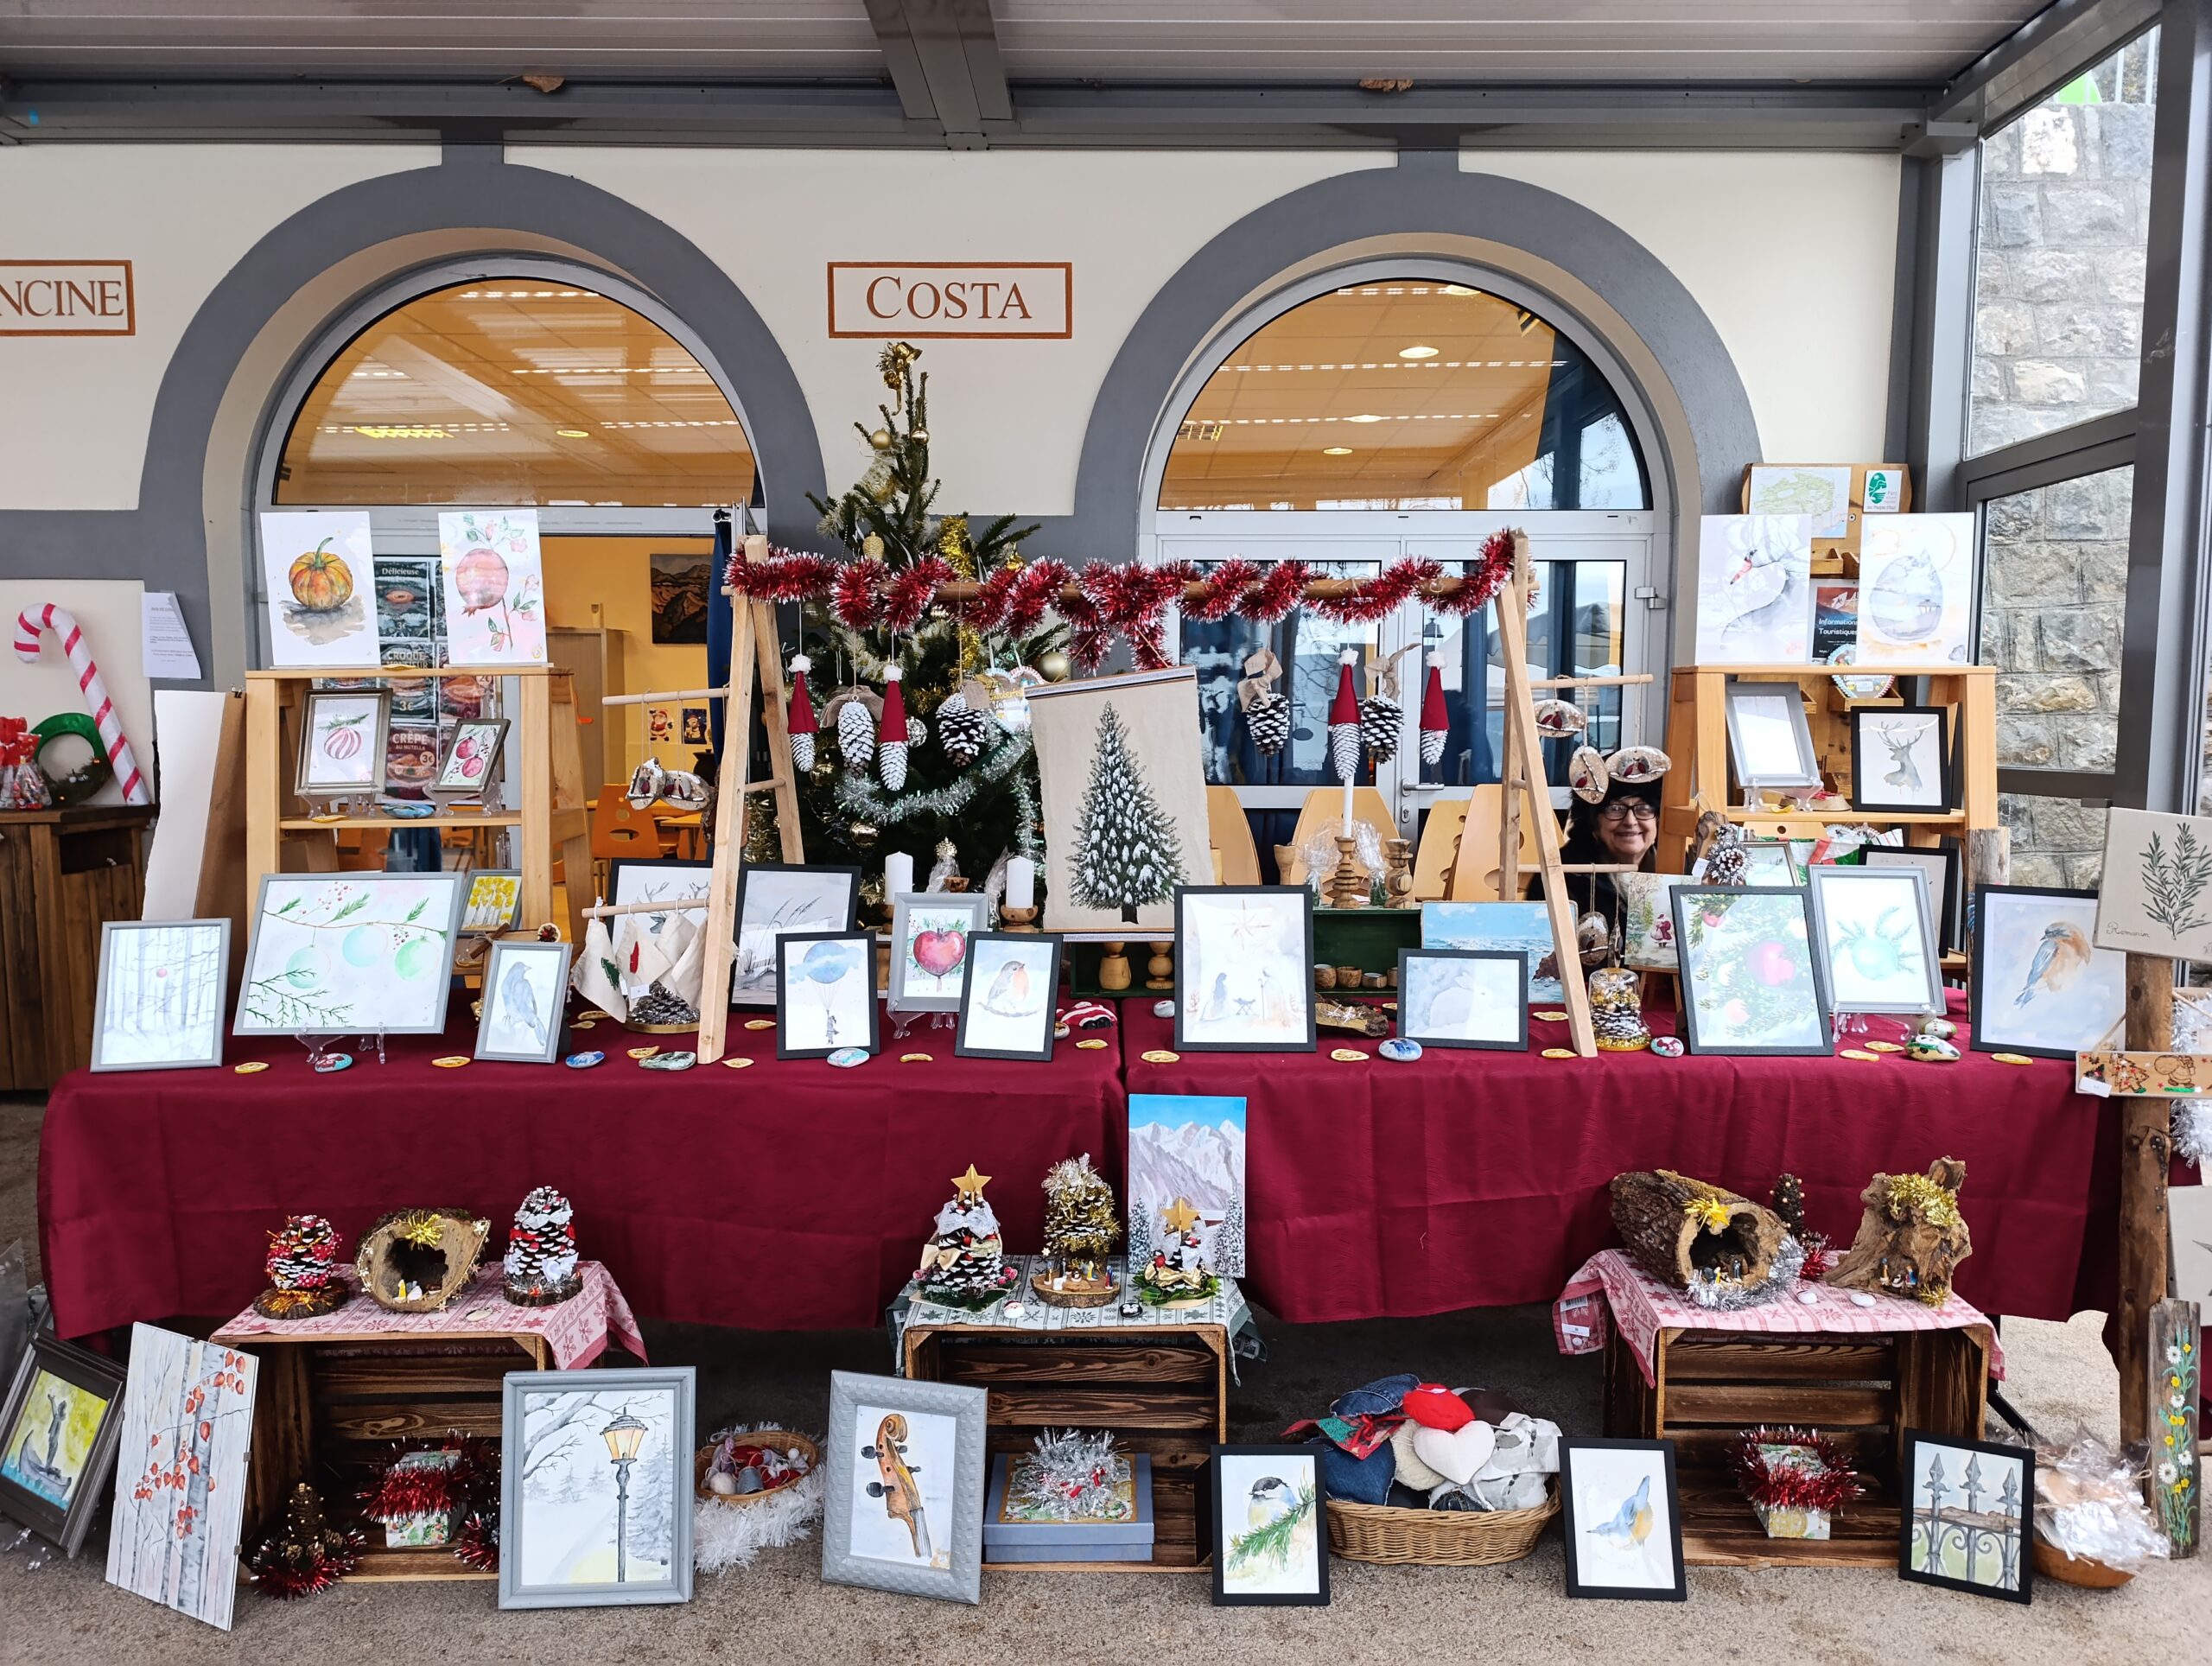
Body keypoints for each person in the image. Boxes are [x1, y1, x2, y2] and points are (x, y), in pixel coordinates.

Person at [1526, 775, 1660, 930]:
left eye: (1643, 809)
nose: (1630, 821)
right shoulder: (1561, 875)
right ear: (1593, 821)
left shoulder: (1676, 869)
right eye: (1615, 809)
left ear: (1657, 819)